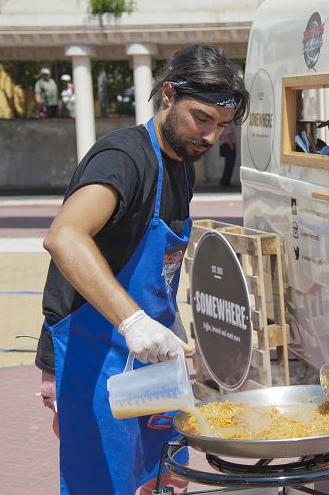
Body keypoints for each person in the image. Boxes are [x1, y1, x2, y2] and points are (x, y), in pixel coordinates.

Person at [34, 44, 249, 495]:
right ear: (167, 94)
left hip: (152, 360)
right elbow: (65, 236)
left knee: (162, 477)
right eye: (202, 118)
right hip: (96, 357)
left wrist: (163, 326)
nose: (210, 137)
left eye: (222, 126)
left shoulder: (181, 164)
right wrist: (133, 320)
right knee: (105, 483)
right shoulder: (123, 159)